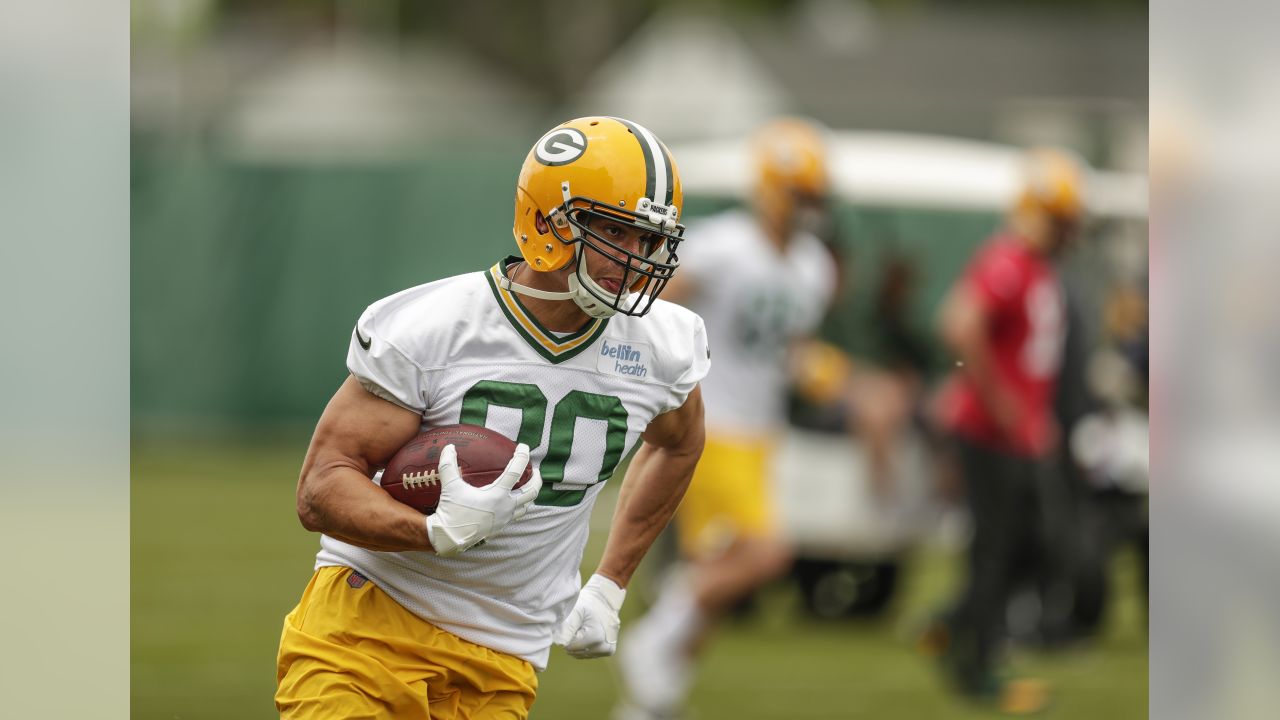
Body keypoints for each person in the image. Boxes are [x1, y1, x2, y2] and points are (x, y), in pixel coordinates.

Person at [274, 116, 711, 720]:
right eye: (614, 230)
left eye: (648, 239)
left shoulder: (664, 345)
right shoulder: (436, 327)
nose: (634, 258)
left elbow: (679, 446)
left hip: (504, 659)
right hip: (367, 630)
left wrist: (610, 584)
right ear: (548, 222)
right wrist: (431, 532)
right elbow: (320, 488)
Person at [615, 117, 839, 719]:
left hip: (760, 429)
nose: (808, 209)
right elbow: (652, 307)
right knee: (767, 555)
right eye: (800, 194)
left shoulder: (814, 265)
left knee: (714, 583)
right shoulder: (723, 245)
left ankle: (649, 704)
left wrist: (824, 374)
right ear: (769, 188)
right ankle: (651, 637)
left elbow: (789, 351)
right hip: (713, 423)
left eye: (814, 197)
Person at [925, 147, 1087, 715]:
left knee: (1027, 545)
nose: (1070, 232)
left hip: (1016, 434)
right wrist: (1006, 407)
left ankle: (953, 627)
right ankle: (979, 663)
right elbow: (958, 324)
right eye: (1062, 219)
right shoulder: (1009, 261)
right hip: (991, 433)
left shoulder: (1037, 267)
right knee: (1000, 550)